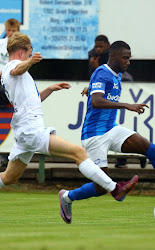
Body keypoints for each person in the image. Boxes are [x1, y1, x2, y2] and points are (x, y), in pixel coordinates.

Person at [0, 32, 138, 224]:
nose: (31, 54)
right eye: (30, 51)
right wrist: (31, 62)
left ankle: (111, 189)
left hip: (24, 132)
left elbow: (31, 101)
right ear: (23, 51)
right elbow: (17, 70)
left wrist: (49, 89)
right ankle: (115, 189)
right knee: (78, 152)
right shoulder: (13, 67)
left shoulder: (13, 74)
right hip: (31, 131)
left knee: (9, 178)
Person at [58, 40, 155, 223]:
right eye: (125, 58)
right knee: (102, 187)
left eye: (129, 58)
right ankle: (67, 197)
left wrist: (89, 88)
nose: (128, 62)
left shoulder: (116, 74)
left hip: (111, 129)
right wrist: (126, 105)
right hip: (94, 135)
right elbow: (96, 101)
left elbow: (99, 90)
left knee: (150, 148)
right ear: (113, 57)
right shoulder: (102, 72)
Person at [87, 35, 141, 169]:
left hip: (110, 122)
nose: (98, 49)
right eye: (96, 46)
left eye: (101, 46)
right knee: (100, 185)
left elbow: (110, 78)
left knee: (145, 146)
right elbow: (98, 81)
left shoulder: (116, 63)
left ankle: (132, 158)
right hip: (96, 128)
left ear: (108, 47)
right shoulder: (94, 58)